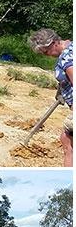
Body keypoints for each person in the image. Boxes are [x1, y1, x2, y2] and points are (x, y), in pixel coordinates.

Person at [29, 29, 73, 166]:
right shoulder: (71, 46)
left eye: (46, 52)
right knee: (66, 140)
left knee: (68, 143)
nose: (46, 55)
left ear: (53, 43)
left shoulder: (67, 58)